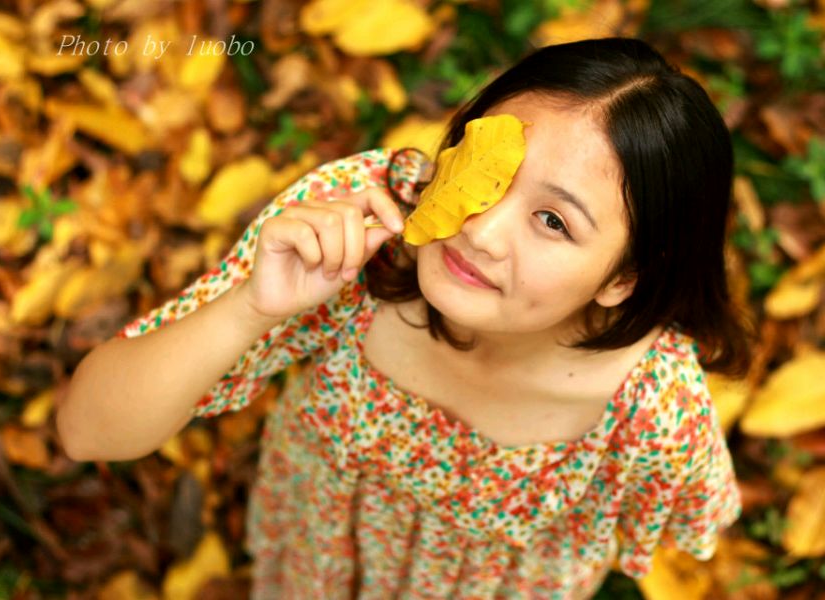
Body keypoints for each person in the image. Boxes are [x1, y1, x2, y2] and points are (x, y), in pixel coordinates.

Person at [58, 37, 753, 598]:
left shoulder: (651, 412)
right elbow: (86, 431)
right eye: (485, 171)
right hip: (315, 560)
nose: (480, 230)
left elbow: (692, 523)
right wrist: (249, 310)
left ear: (624, 279)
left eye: (552, 221)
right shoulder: (353, 231)